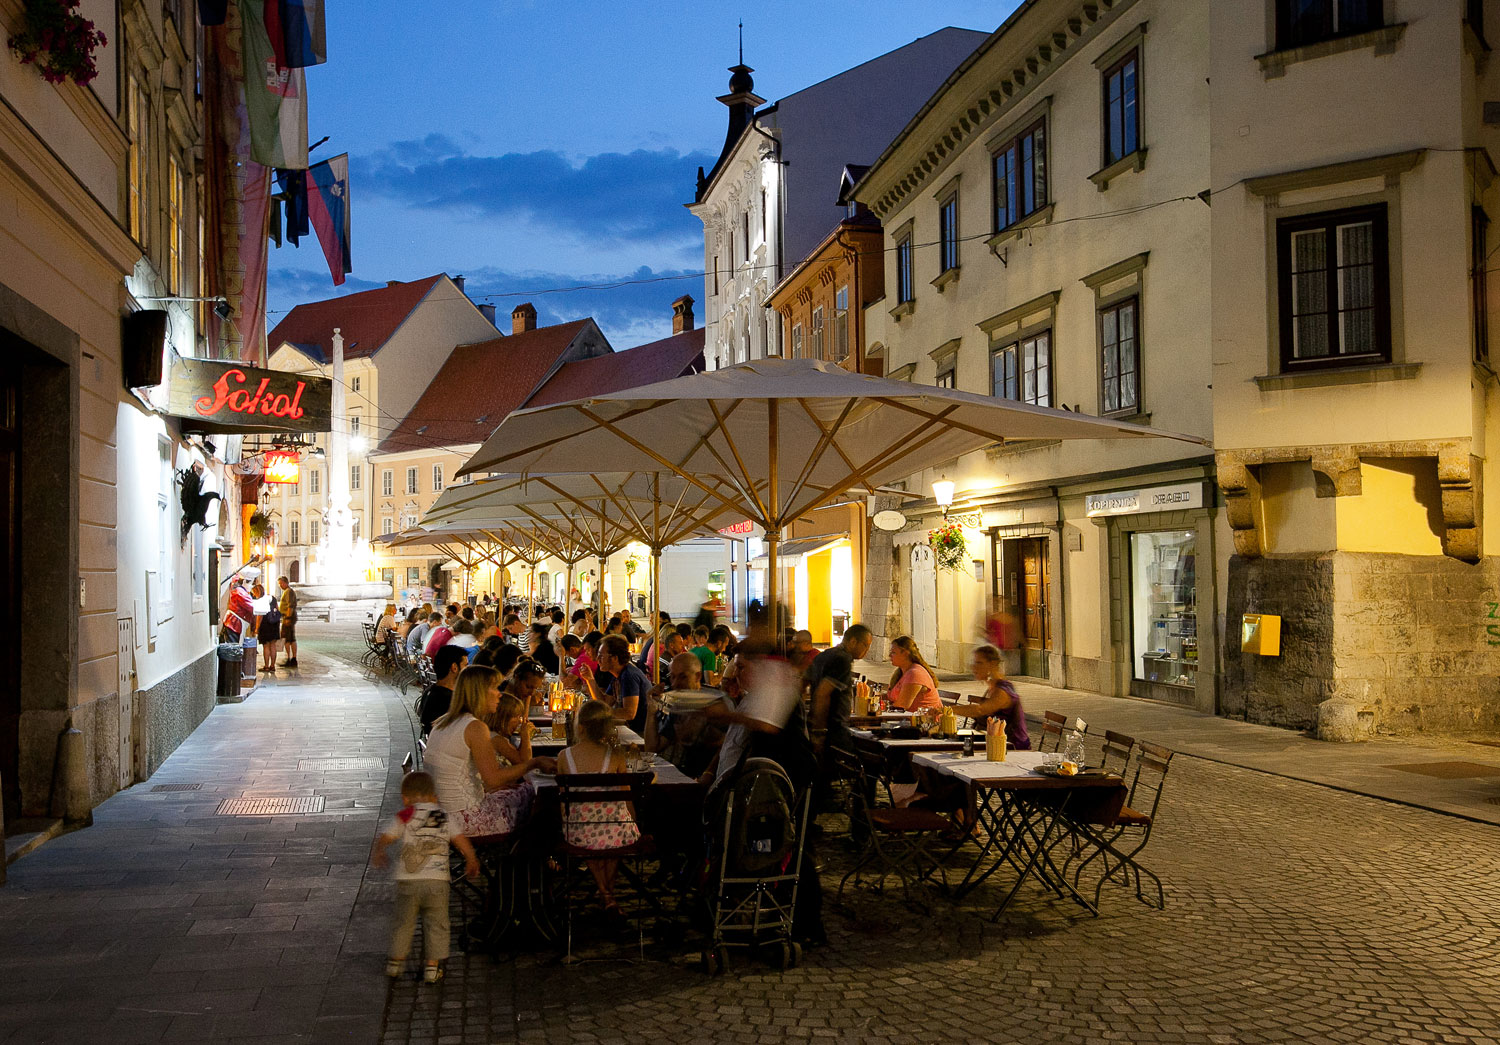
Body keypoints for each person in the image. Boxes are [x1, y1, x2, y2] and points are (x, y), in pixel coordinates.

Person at [372, 770, 478, 984]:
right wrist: (471, 859)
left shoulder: (406, 814)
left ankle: (396, 962)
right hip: (437, 881)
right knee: (437, 923)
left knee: (404, 923)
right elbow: (459, 839)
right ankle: (432, 967)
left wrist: (380, 850)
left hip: (408, 881)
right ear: (434, 796)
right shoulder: (442, 815)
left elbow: (387, 836)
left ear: (405, 798)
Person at [425, 665, 553, 837]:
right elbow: (493, 779)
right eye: (493, 688)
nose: (499, 693)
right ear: (479, 692)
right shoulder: (475, 727)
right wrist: (534, 763)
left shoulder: (443, 722)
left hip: (442, 813)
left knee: (516, 790)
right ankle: (528, 857)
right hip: (464, 819)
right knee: (540, 794)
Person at [557, 699, 641, 918]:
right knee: (614, 842)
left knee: (592, 845)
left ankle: (605, 895)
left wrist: (566, 821)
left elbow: (562, 802)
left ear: (581, 727)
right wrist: (632, 818)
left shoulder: (564, 757)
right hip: (615, 829)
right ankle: (608, 897)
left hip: (580, 830)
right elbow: (626, 794)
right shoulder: (615, 755)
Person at [643, 651, 722, 778]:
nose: (675, 683)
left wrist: (708, 775)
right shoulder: (679, 705)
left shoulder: (714, 703)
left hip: (702, 779)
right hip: (678, 775)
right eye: (672, 677)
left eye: (682, 677)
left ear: (698, 676)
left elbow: (723, 747)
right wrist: (651, 711)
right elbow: (652, 748)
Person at [804, 624, 873, 766]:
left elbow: (804, 683)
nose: (867, 650)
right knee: (868, 762)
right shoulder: (843, 660)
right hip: (834, 727)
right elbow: (823, 694)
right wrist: (819, 731)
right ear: (853, 641)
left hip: (823, 726)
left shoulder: (823, 655)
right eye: (865, 645)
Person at [949, 644, 1030, 749]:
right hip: (993, 745)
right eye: (974, 663)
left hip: (1012, 748)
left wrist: (948, 710)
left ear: (992, 664)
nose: (974, 667)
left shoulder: (1003, 691)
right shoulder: (992, 687)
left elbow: (980, 710)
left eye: (979, 663)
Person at [578, 634, 652, 735]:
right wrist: (590, 679)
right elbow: (604, 702)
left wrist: (598, 713)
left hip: (640, 734)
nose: (597, 659)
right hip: (628, 728)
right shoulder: (618, 675)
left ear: (614, 658)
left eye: (601, 656)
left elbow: (629, 713)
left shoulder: (628, 675)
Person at [418, 646, 468, 736]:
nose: (467, 670)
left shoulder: (430, 692)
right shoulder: (449, 700)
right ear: (454, 667)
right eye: (465, 665)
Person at [886, 635, 942, 712]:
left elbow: (902, 705)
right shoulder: (901, 673)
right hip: (905, 719)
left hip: (923, 720)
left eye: (893, 652)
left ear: (905, 654)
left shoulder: (915, 673)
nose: (889, 655)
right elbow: (890, 698)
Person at [488, 694, 535, 766]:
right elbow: (525, 762)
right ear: (502, 718)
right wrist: (525, 735)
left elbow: (518, 755)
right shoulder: (497, 740)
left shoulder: (499, 737)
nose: (519, 721)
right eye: (516, 716)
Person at [254, 583, 280, 674]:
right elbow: (277, 609)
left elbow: (259, 616)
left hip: (265, 624)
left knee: (266, 646)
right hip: (274, 624)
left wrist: (257, 628)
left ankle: (266, 666)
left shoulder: (261, 600)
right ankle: (273, 666)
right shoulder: (272, 598)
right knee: (273, 645)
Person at [277, 576, 299, 668]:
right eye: (279, 584)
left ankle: (291, 658)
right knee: (290, 639)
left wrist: (288, 618)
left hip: (288, 617)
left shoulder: (289, 592)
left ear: (286, 582)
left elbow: (290, 605)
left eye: (281, 583)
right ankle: (291, 658)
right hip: (288, 617)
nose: (280, 586)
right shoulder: (288, 591)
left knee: (287, 638)